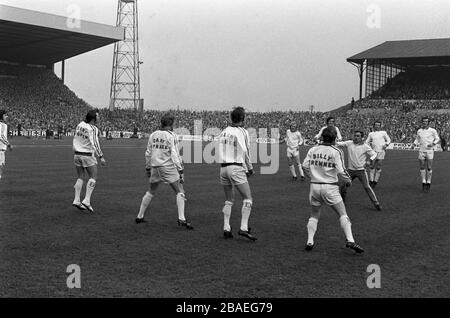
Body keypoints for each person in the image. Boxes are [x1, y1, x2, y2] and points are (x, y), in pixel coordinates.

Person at [302, 127, 364, 253]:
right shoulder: (336, 151)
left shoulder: (313, 149)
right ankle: (350, 240)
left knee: (314, 215)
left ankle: (310, 241)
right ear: (334, 138)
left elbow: (304, 167)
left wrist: (312, 177)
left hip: (314, 187)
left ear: (322, 137)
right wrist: (348, 181)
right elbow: (341, 171)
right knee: (342, 214)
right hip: (330, 187)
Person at [135, 113, 193, 230]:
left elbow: (148, 153)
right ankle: (181, 219)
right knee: (180, 190)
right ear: (171, 124)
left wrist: (147, 168)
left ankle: (139, 216)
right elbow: (175, 154)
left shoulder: (153, 134)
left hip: (155, 167)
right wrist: (180, 170)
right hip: (167, 167)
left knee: (151, 191)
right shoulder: (171, 135)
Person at [218, 107, 256, 241]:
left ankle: (226, 228)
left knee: (229, 200)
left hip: (223, 168)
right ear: (242, 118)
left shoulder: (224, 131)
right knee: (248, 198)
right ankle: (243, 228)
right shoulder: (243, 132)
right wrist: (250, 168)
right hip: (236, 167)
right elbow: (246, 151)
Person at [338, 131, 381, 211]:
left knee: (367, 187)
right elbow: (338, 144)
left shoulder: (365, 146)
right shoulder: (349, 143)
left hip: (361, 171)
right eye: (355, 135)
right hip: (350, 170)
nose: (356, 137)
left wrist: (369, 160)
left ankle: (376, 203)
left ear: (362, 138)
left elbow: (374, 154)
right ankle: (343, 202)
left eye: (358, 136)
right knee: (343, 185)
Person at [72, 109, 106, 212]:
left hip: (77, 154)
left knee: (80, 177)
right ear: (93, 118)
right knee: (93, 177)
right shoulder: (93, 128)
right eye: (97, 116)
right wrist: (101, 156)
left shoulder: (80, 124)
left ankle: (77, 200)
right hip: (87, 155)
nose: (99, 118)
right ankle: (86, 200)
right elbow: (95, 143)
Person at [411, 117, 440, 192]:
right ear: (422, 122)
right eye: (423, 121)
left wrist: (433, 144)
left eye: (426, 121)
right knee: (422, 167)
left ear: (428, 122)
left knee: (429, 167)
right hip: (421, 150)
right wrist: (414, 144)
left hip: (430, 151)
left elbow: (437, 139)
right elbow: (417, 139)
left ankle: (429, 182)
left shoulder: (432, 130)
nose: (424, 122)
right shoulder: (419, 131)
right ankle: (423, 182)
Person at [365, 121, 391, 188]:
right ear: (374, 126)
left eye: (378, 125)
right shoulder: (371, 134)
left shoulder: (383, 133)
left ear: (380, 126)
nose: (377, 126)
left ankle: (375, 181)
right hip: (374, 152)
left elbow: (389, 140)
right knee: (372, 166)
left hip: (381, 151)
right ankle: (371, 181)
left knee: (378, 166)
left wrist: (386, 145)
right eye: (376, 125)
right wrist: (369, 148)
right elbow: (366, 142)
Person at [0, 110, 13, 181]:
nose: (6, 116)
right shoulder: (1, 124)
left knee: (1, 167)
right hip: (0, 150)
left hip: (1, 150)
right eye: (5, 115)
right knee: (1, 167)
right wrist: (8, 144)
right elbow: (1, 136)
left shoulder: (3, 124)